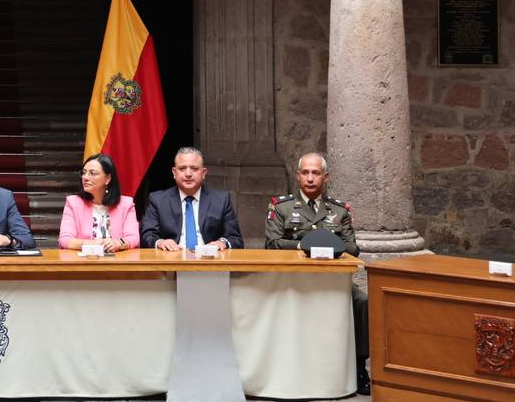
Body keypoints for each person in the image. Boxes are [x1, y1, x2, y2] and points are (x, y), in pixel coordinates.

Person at [265, 152, 370, 395]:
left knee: (362, 301)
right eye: (305, 172)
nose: (310, 178)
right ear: (298, 175)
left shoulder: (339, 210)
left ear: (326, 177)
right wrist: (304, 246)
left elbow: (353, 248)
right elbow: (272, 243)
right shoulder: (281, 206)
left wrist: (327, 245)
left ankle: (358, 366)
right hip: (293, 278)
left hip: (332, 279)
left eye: (316, 173)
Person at [140, 147, 243, 250]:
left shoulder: (221, 200)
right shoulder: (158, 200)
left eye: (194, 169)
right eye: (182, 169)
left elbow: (235, 239)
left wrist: (222, 243)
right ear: (174, 173)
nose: (188, 174)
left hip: (209, 261)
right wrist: (160, 242)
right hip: (172, 260)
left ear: (203, 173)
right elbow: (147, 236)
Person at [58, 153, 138, 252]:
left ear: (108, 178)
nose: (85, 177)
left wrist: (117, 243)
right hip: (84, 263)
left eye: (93, 173)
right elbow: (64, 240)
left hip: (117, 263)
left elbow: (134, 238)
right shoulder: (73, 203)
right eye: (84, 172)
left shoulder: (126, 204)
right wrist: (91, 244)